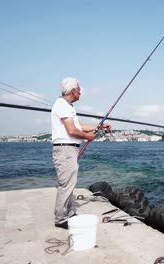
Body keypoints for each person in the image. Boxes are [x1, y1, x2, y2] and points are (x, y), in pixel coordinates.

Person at [51, 77, 111, 229]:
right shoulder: (62, 105)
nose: (80, 92)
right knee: (66, 184)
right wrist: (87, 137)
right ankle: (60, 219)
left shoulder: (68, 106)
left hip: (69, 149)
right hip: (65, 149)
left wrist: (100, 127)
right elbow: (72, 130)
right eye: (79, 89)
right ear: (72, 91)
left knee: (69, 182)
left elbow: (81, 126)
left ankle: (68, 213)